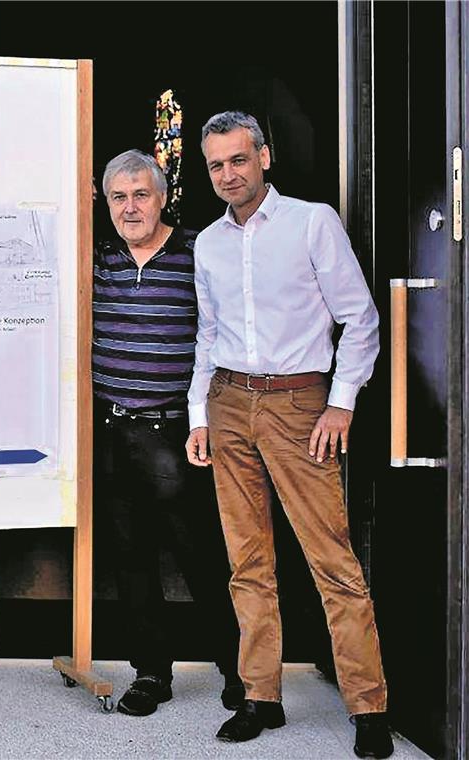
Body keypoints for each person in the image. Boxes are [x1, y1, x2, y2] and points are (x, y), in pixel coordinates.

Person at [184, 112, 392, 759]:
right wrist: (199, 413)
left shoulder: (311, 222)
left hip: (300, 405)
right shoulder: (209, 244)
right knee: (248, 563)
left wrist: (340, 405)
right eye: (216, 164)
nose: (228, 174)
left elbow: (360, 321)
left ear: (264, 157)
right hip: (229, 401)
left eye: (239, 160)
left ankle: (369, 707)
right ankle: (260, 696)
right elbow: (207, 334)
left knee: (331, 561)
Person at [93, 150, 243, 717]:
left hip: (177, 432)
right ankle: (152, 674)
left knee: (201, 555)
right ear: (106, 203)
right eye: (118, 197)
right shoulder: (98, 255)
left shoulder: (197, 251)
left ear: (162, 198)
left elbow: (222, 334)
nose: (130, 208)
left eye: (140, 195)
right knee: (129, 559)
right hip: (111, 429)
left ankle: (237, 670)